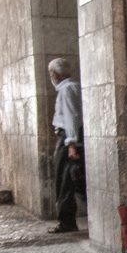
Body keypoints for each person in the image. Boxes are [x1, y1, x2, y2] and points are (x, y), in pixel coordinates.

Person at [48, 58, 85, 233]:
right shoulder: (74, 86)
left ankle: (67, 221)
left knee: (64, 181)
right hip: (71, 138)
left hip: (68, 139)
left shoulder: (66, 90)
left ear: (55, 74)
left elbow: (72, 116)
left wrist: (71, 143)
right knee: (74, 179)